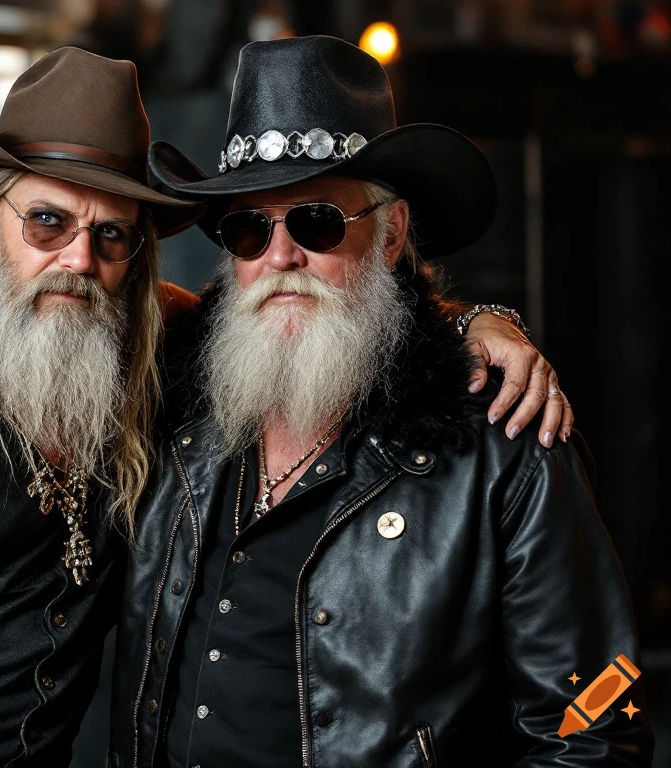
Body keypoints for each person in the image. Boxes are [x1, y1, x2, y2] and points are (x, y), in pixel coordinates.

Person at [0, 47, 571, 768]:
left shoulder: (125, 339)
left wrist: (472, 323)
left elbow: (299, 307)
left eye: (114, 236)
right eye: (47, 220)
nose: (78, 258)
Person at [109, 36, 652, 768]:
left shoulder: (503, 438)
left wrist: (477, 323)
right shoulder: (171, 399)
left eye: (317, 222)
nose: (280, 257)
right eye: (247, 229)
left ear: (391, 235)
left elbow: (593, 729)